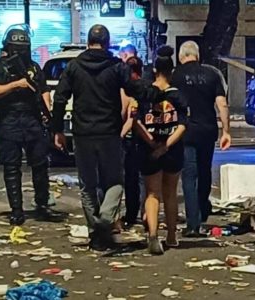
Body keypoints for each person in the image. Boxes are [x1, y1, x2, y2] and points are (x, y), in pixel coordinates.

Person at [52, 24, 160, 251]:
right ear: (108, 43)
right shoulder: (116, 67)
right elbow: (135, 89)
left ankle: (96, 234)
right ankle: (105, 219)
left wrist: (58, 130)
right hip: (109, 132)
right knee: (114, 182)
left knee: (87, 185)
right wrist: (157, 92)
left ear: (88, 41)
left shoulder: (74, 67)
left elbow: (60, 98)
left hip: (82, 133)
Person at [0, 26, 63, 225]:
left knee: (40, 164)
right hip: (8, 120)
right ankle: (17, 210)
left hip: (32, 119)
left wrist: (47, 113)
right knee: (12, 167)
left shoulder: (34, 67)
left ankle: (42, 205)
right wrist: (15, 85)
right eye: (16, 48)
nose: (20, 52)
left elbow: (43, 89)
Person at [172, 41, 231, 237]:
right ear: (197, 55)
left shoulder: (176, 75)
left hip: (185, 130)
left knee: (189, 175)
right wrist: (226, 131)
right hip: (208, 130)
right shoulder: (212, 74)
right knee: (205, 170)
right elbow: (222, 104)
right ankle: (203, 209)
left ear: (181, 57)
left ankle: (192, 224)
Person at [134, 45, 188, 255]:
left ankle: (153, 235)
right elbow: (183, 124)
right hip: (173, 150)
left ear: (155, 70)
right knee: (171, 193)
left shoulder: (145, 95)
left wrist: (151, 143)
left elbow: (136, 121)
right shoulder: (178, 96)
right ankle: (172, 236)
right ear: (172, 71)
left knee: (152, 193)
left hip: (149, 150)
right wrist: (166, 145)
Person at [120, 54, 145, 226]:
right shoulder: (141, 87)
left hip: (130, 140)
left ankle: (131, 215)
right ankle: (136, 213)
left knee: (129, 179)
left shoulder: (125, 89)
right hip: (135, 139)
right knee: (134, 180)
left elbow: (130, 118)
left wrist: (119, 134)